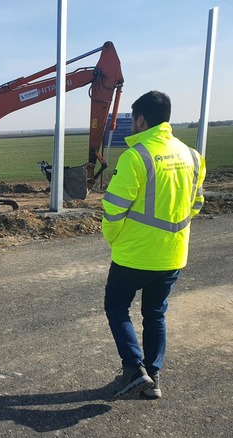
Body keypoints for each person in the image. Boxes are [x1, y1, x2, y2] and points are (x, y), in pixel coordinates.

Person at [102, 91, 206, 399]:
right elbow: (196, 203)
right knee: (156, 314)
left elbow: (113, 210)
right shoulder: (192, 156)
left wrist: (114, 239)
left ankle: (134, 369)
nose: (132, 125)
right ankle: (154, 377)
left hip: (133, 254)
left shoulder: (136, 157)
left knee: (117, 307)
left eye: (133, 119)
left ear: (141, 119)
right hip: (173, 255)